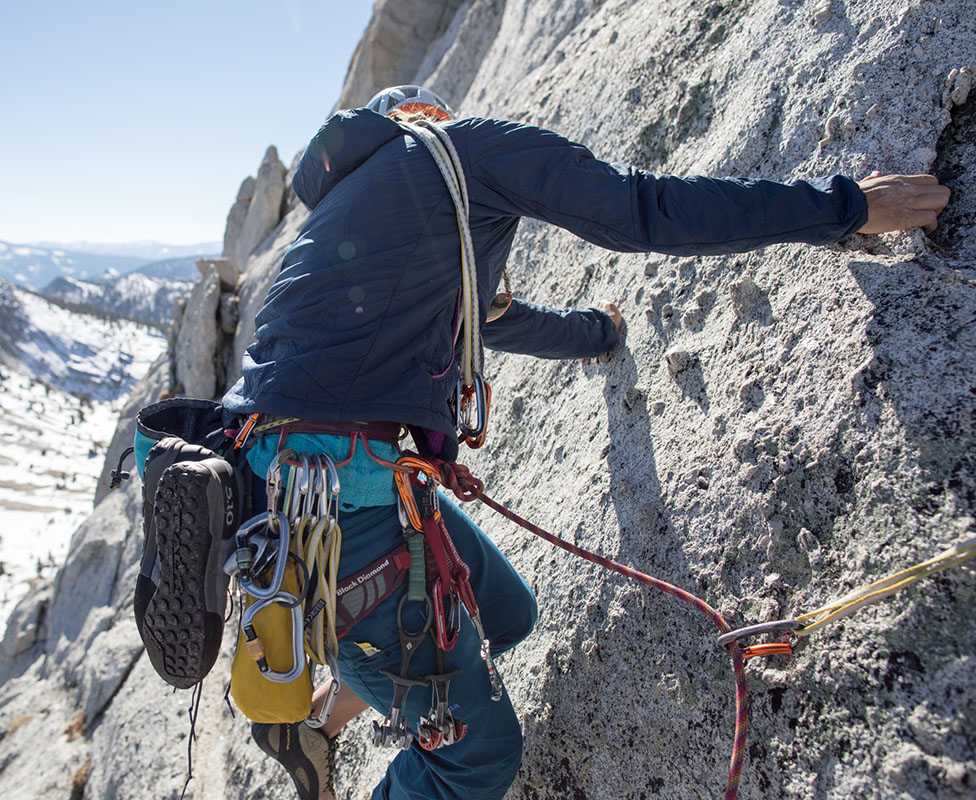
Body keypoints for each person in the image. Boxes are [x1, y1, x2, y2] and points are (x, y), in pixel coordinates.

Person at [221, 85, 950, 800]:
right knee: (477, 761)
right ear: (432, 116)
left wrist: (598, 334)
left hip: (295, 505)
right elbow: (643, 209)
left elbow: (489, 320)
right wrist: (846, 207)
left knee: (506, 614)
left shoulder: (359, 219)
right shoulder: (464, 151)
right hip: (347, 514)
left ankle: (320, 722)